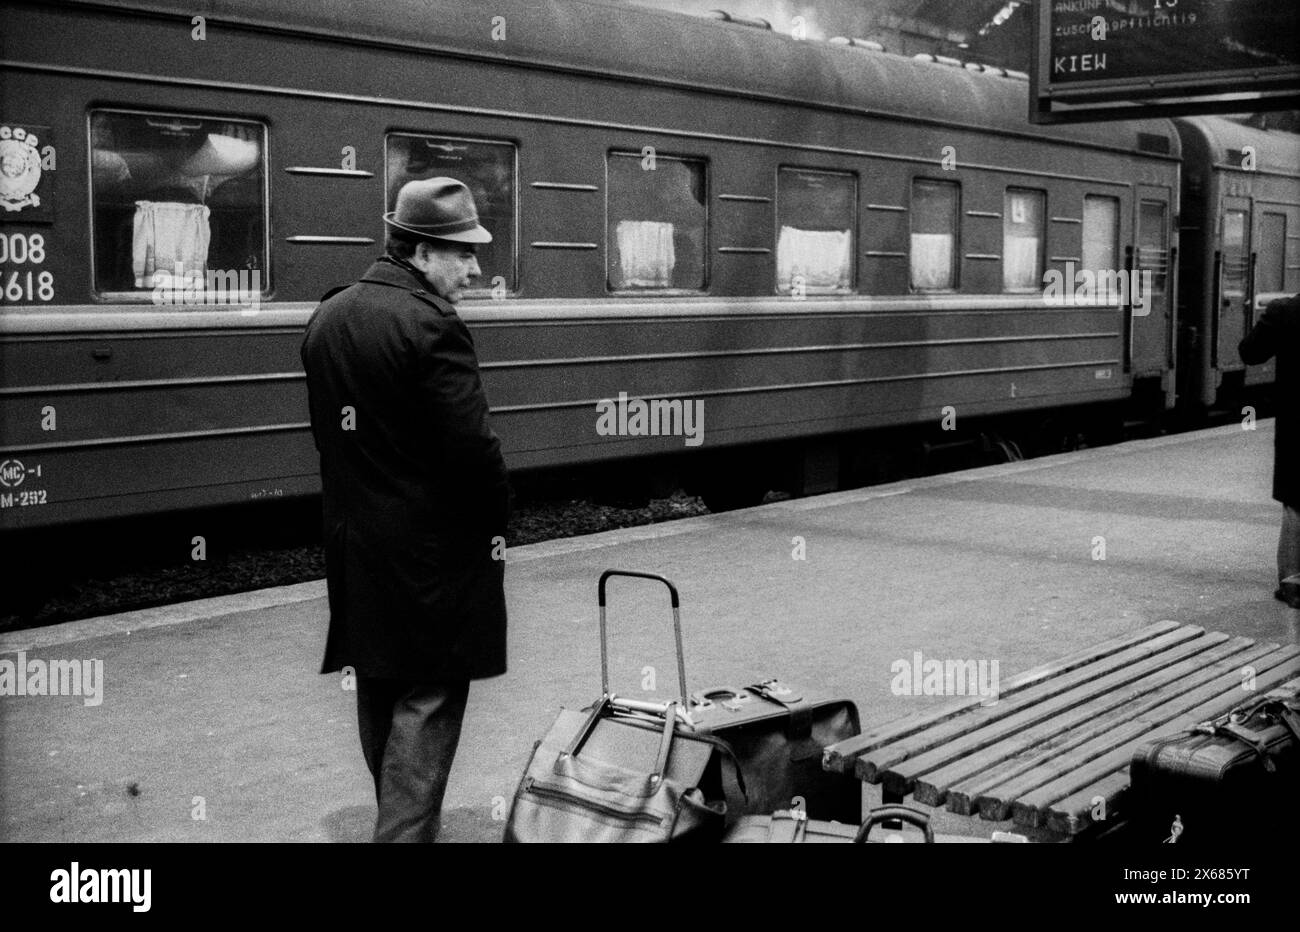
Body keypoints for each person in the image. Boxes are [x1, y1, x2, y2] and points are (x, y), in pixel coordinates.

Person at [300, 177, 511, 841]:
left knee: (382, 687)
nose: (476, 269)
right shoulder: (432, 325)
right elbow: (472, 451)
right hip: (433, 559)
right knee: (431, 693)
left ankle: (401, 822)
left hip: (357, 547)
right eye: (464, 254)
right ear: (422, 251)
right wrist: (499, 524)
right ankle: (403, 834)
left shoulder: (329, 317)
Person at [1240, 293, 1300, 609]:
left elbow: (1250, 353)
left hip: (1297, 426)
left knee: (1296, 502)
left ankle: (1293, 583)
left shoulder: (1285, 311)